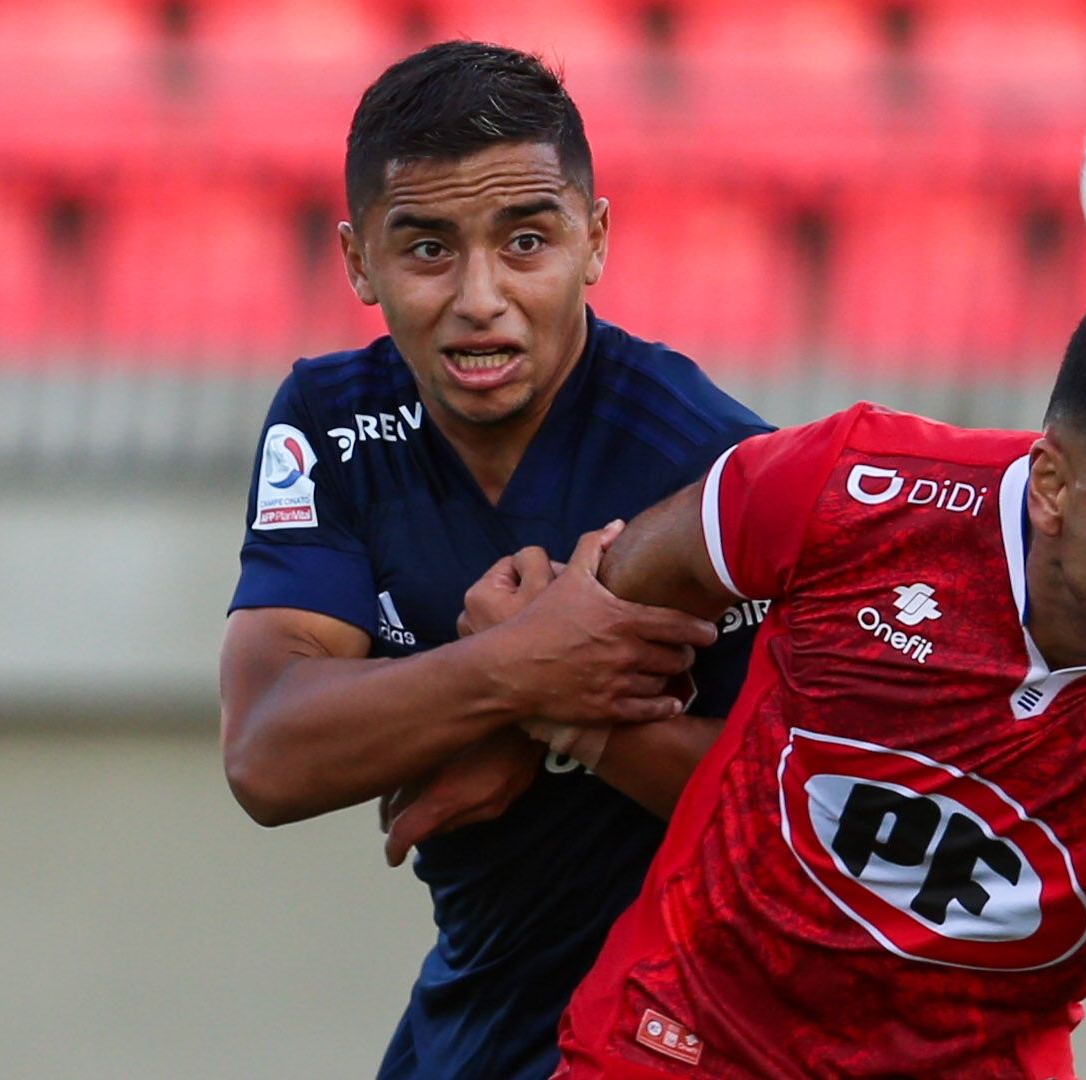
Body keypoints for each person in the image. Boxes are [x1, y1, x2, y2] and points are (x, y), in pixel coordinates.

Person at [396, 291, 1086, 1078]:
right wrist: (501, 703)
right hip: (672, 1047)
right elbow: (583, 616)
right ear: (1056, 487)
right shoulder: (854, 489)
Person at [217, 41, 770, 1079]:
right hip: (471, 1013)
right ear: (357, 259)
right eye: (428, 248)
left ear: (595, 240)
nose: (481, 296)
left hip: (682, 1033)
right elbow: (268, 751)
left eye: (526, 241)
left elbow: (795, 822)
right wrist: (519, 672)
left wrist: (567, 725)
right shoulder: (331, 418)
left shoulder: (710, 462)